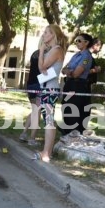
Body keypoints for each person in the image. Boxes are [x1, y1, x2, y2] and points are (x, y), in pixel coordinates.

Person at [34, 24, 67, 162]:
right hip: (47, 87)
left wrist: (41, 50)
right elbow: (42, 69)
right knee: (48, 120)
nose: (43, 34)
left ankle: (46, 153)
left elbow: (42, 66)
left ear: (53, 34)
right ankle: (47, 152)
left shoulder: (57, 49)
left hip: (50, 88)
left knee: (49, 120)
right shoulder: (53, 49)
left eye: (47, 32)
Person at [61, 33, 94, 135]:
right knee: (66, 107)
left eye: (79, 41)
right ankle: (66, 132)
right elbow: (64, 69)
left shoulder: (86, 56)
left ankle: (73, 134)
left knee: (74, 110)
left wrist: (69, 72)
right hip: (69, 85)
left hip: (78, 86)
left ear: (86, 43)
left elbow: (76, 74)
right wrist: (69, 71)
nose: (76, 43)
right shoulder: (76, 55)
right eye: (76, 41)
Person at [19, 48, 40, 146]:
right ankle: (32, 139)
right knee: (37, 111)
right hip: (39, 84)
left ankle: (24, 133)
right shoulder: (48, 53)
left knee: (35, 110)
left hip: (31, 83)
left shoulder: (35, 53)